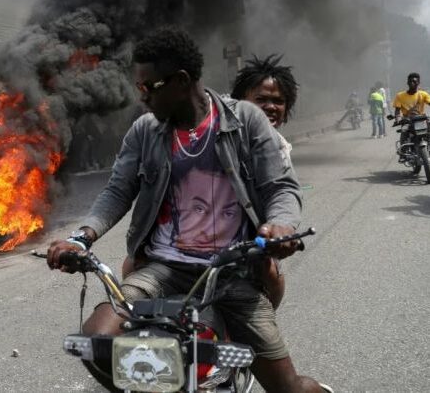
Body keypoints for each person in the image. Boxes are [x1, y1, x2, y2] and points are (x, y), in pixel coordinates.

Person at [48, 27, 331, 393]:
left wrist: (279, 225)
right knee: (97, 340)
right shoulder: (144, 131)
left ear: (180, 81)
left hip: (230, 274)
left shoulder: (245, 120)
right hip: (162, 270)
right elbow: (117, 191)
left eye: (148, 87)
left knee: (288, 387)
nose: (142, 96)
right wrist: (80, 238)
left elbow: (281, 187)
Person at [231, 54, 299, 309]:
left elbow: (283, 191)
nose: (270, 107)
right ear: (240, 104)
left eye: (278, 101)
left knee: (271, 275)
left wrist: (280, 225)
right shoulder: (219, 133)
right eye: (261, 99)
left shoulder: (280, 147)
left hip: (251, 239)